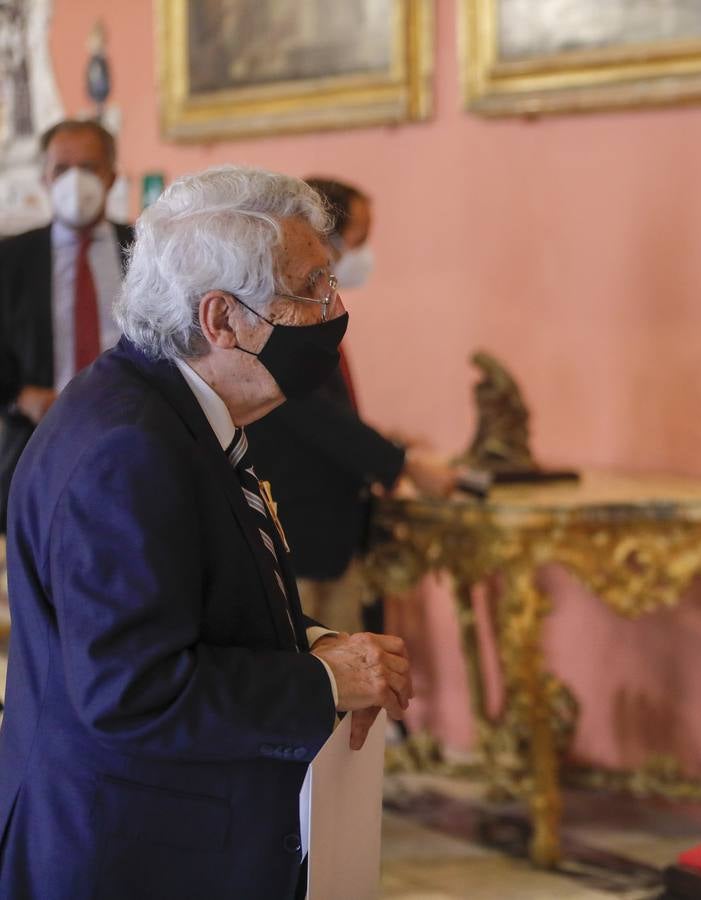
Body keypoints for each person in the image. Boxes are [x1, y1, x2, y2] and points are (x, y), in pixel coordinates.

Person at [0, 166, 414, 898]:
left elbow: (197, 600)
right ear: (222, 320)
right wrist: (322, 680)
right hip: (132, 856)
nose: (333, 309)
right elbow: (134, 690)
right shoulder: (126, 451)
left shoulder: (172, 409)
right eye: (310, 290)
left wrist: (315, 639)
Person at [244, 177, 458, 637]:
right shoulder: (280, 312)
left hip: (331, 523)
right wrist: (399, 463)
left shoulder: (321, 314)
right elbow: (307, 410)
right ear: (324, 238)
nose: (364, 252)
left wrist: (388, 442)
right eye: (360, 236)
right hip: (298, 524)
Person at [0, 119, 133, 531]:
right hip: (36, 443)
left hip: (132, 440)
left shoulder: (147, 250)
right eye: (62, 169)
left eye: (89, 167)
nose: (75, 181)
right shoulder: (10, 259)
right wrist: (19, 395)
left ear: (112, 176)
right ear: (45, 177)